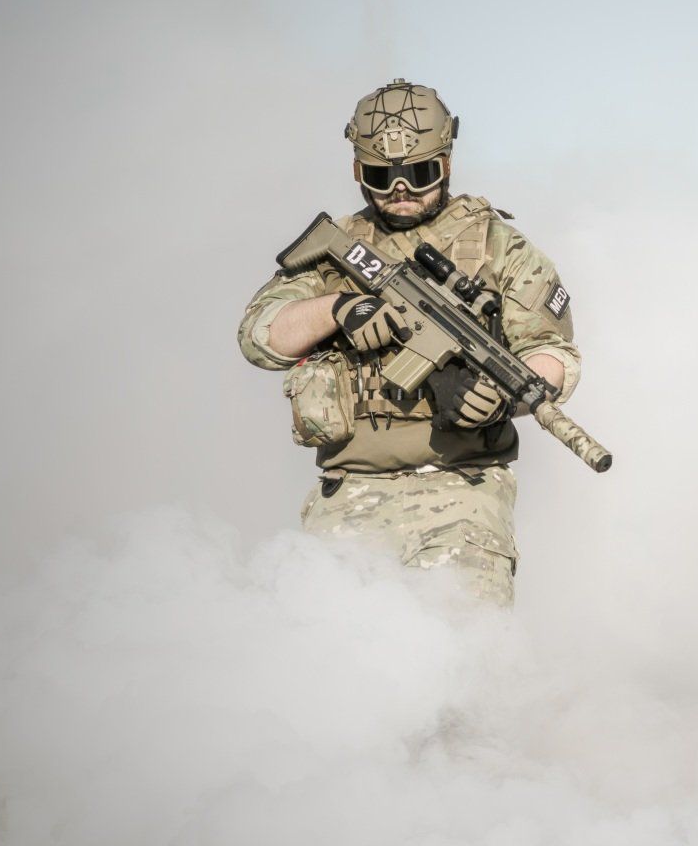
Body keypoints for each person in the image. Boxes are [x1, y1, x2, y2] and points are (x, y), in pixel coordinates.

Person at [238, 80, 580, 606]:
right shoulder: (340, 251)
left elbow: (552, 353)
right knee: (324, 667)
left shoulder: (498, 246)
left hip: (460, 495)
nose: (401, 189)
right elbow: (261, 335)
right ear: (358, 171)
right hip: (348, 493)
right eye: (381, 176)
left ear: (446, 160)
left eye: (420, 174)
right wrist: (339, 308)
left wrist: (501, 400)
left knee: (464, 665)